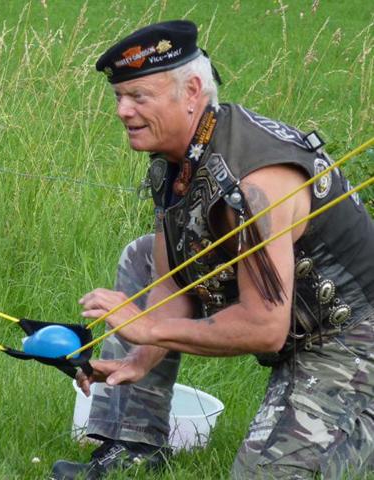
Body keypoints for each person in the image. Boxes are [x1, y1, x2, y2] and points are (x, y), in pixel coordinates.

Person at [50, 20, 374, 480]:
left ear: (191, 92)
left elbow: (263, 327)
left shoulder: (256, 183)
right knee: (143, 256)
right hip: (294, 319)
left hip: (348, 338)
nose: (123, 110)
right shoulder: (178, 155)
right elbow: (172, 280)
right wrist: (136, 358)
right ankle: (131, 448)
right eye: (119, 96)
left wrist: (148, 328)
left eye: (138, 96)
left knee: (264, 475)